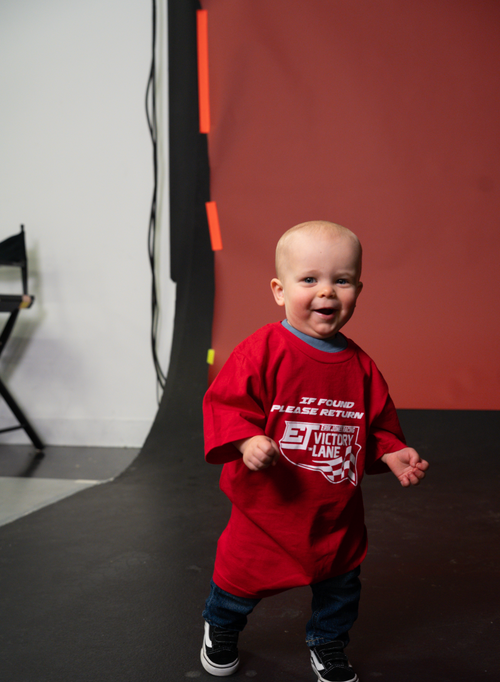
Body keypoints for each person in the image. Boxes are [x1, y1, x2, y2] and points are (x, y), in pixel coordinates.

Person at [201, 221, 429, 681]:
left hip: (333, 511)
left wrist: (391, 453)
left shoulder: (361, 367)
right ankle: (220, 626)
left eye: (341, 280)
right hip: (267, 509)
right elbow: (226, 405)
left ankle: (328, 643)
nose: (326, 291)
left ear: (358, 291)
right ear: (279, 290)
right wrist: (247, 441)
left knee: (340, 589)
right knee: (238, 581)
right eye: (309, 279)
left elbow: (376, 426)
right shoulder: (261, 351)